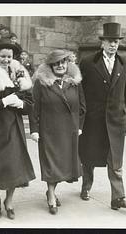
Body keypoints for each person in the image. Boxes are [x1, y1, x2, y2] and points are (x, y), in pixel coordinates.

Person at [0, 38, 36, 220]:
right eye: (3, 56)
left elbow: (30, 103)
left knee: (13, 165)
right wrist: (2, 102)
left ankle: (8, 201)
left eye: (9, 56)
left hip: (14, 126)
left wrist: (20, 103)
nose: (6, 60)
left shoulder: (19, 73)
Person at [79, 22, 126, 210]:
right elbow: (81, 92)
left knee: (115, 160)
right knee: (89, 156)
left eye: (116, 42)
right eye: (110, 41)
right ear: (102, 43)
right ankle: (86, 187)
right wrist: (80, 118)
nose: (113, 45)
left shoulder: (125, 63)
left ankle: (118, 198)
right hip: (93, 120)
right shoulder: (88, 62)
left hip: (116, 120)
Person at [30, 49, 86, 215]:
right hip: (49, 131)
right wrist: (34, 130)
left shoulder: (75, 82)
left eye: (63, 62)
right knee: (51, 165)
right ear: (51, 66)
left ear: (68, 64)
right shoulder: (42, 83)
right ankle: (52, 196)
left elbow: (83, 106)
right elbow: (34, 108)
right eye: (56, 63)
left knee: (64, 165)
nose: (60, 66)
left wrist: (80, 126)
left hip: (69, 131)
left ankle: (51, 191)